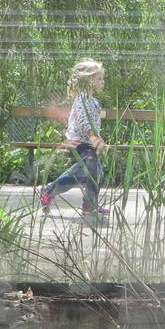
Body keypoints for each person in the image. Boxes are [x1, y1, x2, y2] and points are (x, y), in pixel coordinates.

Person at [37, 58, 110, 218]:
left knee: (93, 173)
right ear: (89, 80)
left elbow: (93, 122)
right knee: (85, 173)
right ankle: (50, 190)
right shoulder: (82, 100)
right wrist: (93, 137)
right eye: (99, 78)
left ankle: (89, 204)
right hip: (79, 144)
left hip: (88, 144)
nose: (102, 82)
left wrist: (97, 138)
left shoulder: (93, 101)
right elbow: (84, 121)